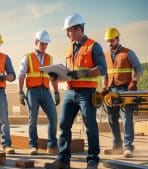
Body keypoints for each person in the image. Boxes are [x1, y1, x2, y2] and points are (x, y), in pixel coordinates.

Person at [45, 13, 107, 169]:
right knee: (63, 125)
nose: (67, 34)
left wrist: (83, 73)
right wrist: (57, 76)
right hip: (70, 92)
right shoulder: (69, 49)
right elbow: (69, 73)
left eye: (69, 31)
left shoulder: (94, 46)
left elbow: (102, 68)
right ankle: (63, 160)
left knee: (90, 126)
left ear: (78, 29)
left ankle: (92, 160)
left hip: (87, 94)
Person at [102, 27, 143, 158]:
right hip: (111, 90)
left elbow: (139, 69)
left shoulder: (128, 53)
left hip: (126, 89)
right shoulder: (105, 55)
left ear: (118, 39)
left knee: (126, 118)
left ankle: (128, 147)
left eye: (112, 40)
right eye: (108, 41)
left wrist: (134, 81)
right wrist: (104, 86)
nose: (109, 43)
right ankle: (117, 145)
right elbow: (104, 74)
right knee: (112, 119)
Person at [18, 30, 59, 155]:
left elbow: (52, 77)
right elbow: (21, 76)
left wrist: (56, 92)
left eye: (46, 44)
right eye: (42, 43)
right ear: (36, 42)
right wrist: (20, 92)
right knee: (33, 119)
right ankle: (33, 146)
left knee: (53, 117)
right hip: (32, 91)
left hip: (46, 91)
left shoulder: (49, 58)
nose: (44, 46)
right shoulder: (28, 57)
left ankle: (52, 145)